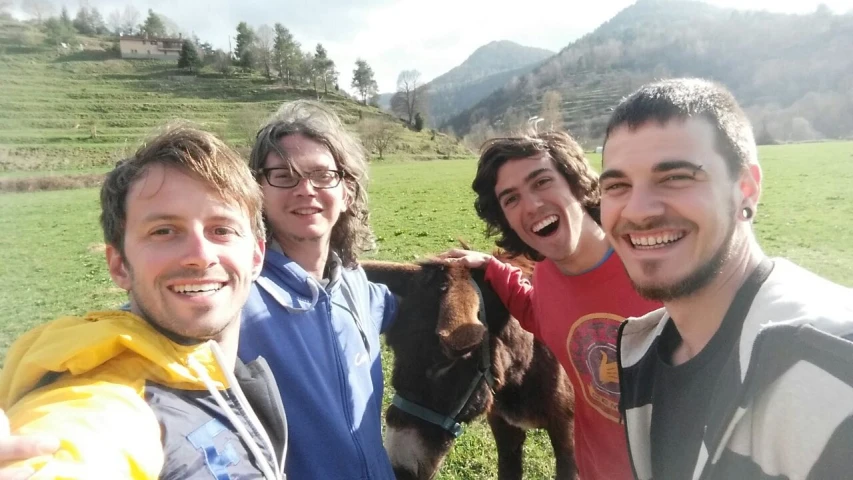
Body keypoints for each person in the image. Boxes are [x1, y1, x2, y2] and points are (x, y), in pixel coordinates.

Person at [600, 78, 853, 479]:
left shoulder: (833, 368)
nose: (639, 210)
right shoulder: (643, 351)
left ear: (746, 190)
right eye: (617, 185)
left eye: (676, 177)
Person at [0, 126, 286, 479]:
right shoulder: (109, 399)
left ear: (256, 257)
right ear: (119, 265)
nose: (200, 255)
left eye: (221, 229)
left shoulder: (228, 378)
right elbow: (76, 442)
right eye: (164, 231)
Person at [440, 130, 661, 480]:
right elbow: (539, 313)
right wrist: (493, 266)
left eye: (542, 181)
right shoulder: (544, 276)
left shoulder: (653, 260)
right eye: (511, 199)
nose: (531, 205)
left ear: (575, 182)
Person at [238, 101, 397, 479]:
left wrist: (475, 272)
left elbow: (410, 303)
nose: (305, 190)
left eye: (322, 175)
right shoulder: (236, 297)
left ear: (346, 191)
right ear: (256, 189)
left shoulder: (355, 284)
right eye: (284, 176)